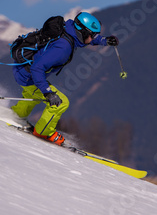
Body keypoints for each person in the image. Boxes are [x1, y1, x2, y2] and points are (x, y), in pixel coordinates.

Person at [10, 12, 119, 145]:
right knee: (60, 102)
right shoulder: (63, 47)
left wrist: (104, 41)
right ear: (83, 33)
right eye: (91, 35)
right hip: (28, 75)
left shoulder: (69, 29)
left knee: (32, 95)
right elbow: (37, 68)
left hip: (22, 68)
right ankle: (43, 131)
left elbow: (87, 38)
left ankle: (16, 115)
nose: (92, 39)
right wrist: (47, 92)